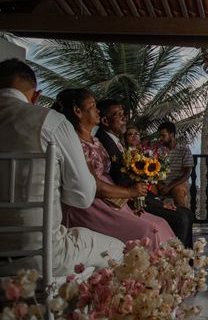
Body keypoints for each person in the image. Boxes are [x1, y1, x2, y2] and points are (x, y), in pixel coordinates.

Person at [0, 59, 123, 276]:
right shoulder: (51, 122)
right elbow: (82, 197)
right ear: (35, 96)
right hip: (40, 255)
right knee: (120, 251)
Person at [54, 89, 175, 249]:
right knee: (149, 230)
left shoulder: (95, 140)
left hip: (112, 200)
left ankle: (171, 271)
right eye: (92, 105)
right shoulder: (77, 144)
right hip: (93, 205)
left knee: (160, 222)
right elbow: (93, 185)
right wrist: (131, 193)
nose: (97, 110)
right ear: (78, 111)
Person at [95, 100, 194, 247]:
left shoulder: (115, 143)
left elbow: (186, 172)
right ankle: (176, 261)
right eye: (119, 115)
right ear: (104, 120)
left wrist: (157, 199)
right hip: (129, 200)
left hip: (140, 195)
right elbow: (120, 180)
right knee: (182, 217)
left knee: (186, 214)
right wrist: (158, 202)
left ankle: (186, 260)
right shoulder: (105, 143)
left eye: (124, 114)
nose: (124, 118)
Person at [157, 121, 193, 209]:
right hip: (160, 183)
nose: (160, 138)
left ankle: (183, 218)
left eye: (163, 135)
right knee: (147, 190)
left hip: (177, 183)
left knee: (179, 191)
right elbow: (153, 171)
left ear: (172, 135)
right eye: (160, 136)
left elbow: (187, 174)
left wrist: (169, 187)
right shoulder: (158, 151)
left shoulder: (184, 151)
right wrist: (159, 184)